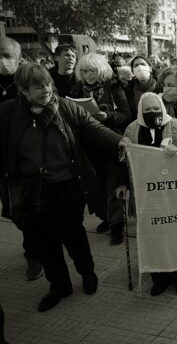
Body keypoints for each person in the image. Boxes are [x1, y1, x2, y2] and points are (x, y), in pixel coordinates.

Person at [0, 63, 129, 312]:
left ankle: (88, 274)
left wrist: (120, 141)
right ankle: (59, 286)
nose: (46, 90)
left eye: (48, 84)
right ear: (23, 90)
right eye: (38, 87)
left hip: (67, 185)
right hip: (29, 189)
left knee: (73, 234)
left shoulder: (66, 107)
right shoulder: (7, 113)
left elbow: (93, 128)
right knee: (44, 241)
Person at [121, 92, 177, 296]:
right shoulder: (131, 130)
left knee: (176, 236)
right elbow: (125, 161)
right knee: (152, 237)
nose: (152, 112)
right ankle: (159, 279)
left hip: (174, 193)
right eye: (147, 110)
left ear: (162, 108)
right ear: (140, 111)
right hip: (146, 193)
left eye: (156, 108)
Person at [70, 53, 132, 245]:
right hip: (88, 145)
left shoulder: (113, 87)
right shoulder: (76, 89)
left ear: (101, 70)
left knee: (114, 184)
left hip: (111, 142)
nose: (88, 75)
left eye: (92, 70)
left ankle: (117, 225)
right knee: (96, 186)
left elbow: (126, 114)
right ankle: (106, 218)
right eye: (84, 71)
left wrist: (108, 115)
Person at [0, 37, 45, 281]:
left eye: (7, 55)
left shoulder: (29, 82)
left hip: (30, 161)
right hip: (5, 162)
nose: (2, 61)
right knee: (14, 212)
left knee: (29, 211)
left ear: (19, 58)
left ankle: (34, 254)